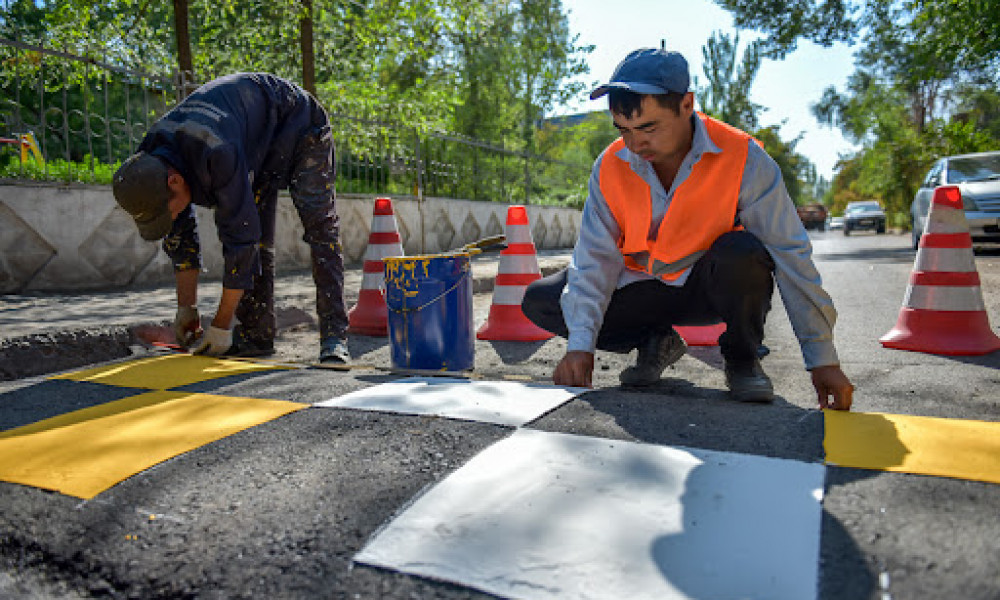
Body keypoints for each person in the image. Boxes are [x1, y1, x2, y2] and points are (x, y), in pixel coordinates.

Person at [521, 48, 854, 410]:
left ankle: (742, 359)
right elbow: (592, 261)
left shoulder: (744, 159)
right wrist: (579, 348)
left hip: (707, 289)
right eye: (624, 130)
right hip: (641, 291)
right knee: (542, 300)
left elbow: (790, 256)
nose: (635, 144)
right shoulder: (610, 166)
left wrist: (822, 359)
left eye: (648, 127)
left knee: (743, 252)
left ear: (686, 105)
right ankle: (655, 341)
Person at [112, 72, 349, 363]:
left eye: (166, 211)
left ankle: (334, 336)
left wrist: (220, 325)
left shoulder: (217, 151)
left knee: (319, 228)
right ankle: (256, 336)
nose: (168, 217)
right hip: (253, 145)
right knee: (258, 242)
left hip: (300, 127)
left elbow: (240, 241)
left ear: (174, 182)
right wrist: (186, 309)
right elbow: (181, 236)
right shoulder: (151, 159)